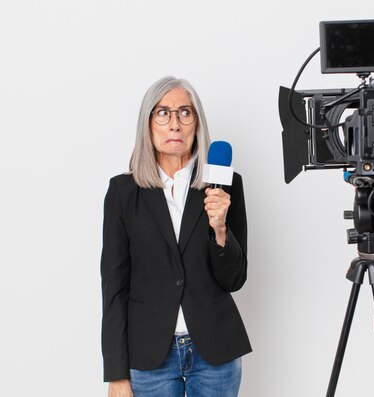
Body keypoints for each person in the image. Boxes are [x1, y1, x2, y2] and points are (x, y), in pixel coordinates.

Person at [100, 76, 251, 397]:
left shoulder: (225, 184)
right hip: (148, 356)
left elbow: (234, 279)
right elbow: (113, 287)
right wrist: (116, 373)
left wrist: (220, 228)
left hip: (215, 352)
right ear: (148, 122)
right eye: (163, 113)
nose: (174, 124)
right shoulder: (123, 192)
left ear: (197, 122)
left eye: (185, 112)